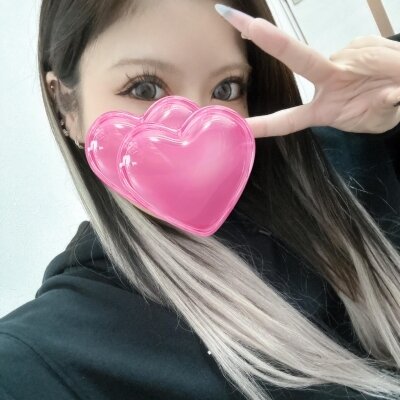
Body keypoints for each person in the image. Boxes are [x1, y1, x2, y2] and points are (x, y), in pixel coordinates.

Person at [0, 1, 399, 399]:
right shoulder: (48, 352)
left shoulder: (344, 163)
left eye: (227, 88)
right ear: (66, 105)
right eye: (144, 88)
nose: (199, 126)